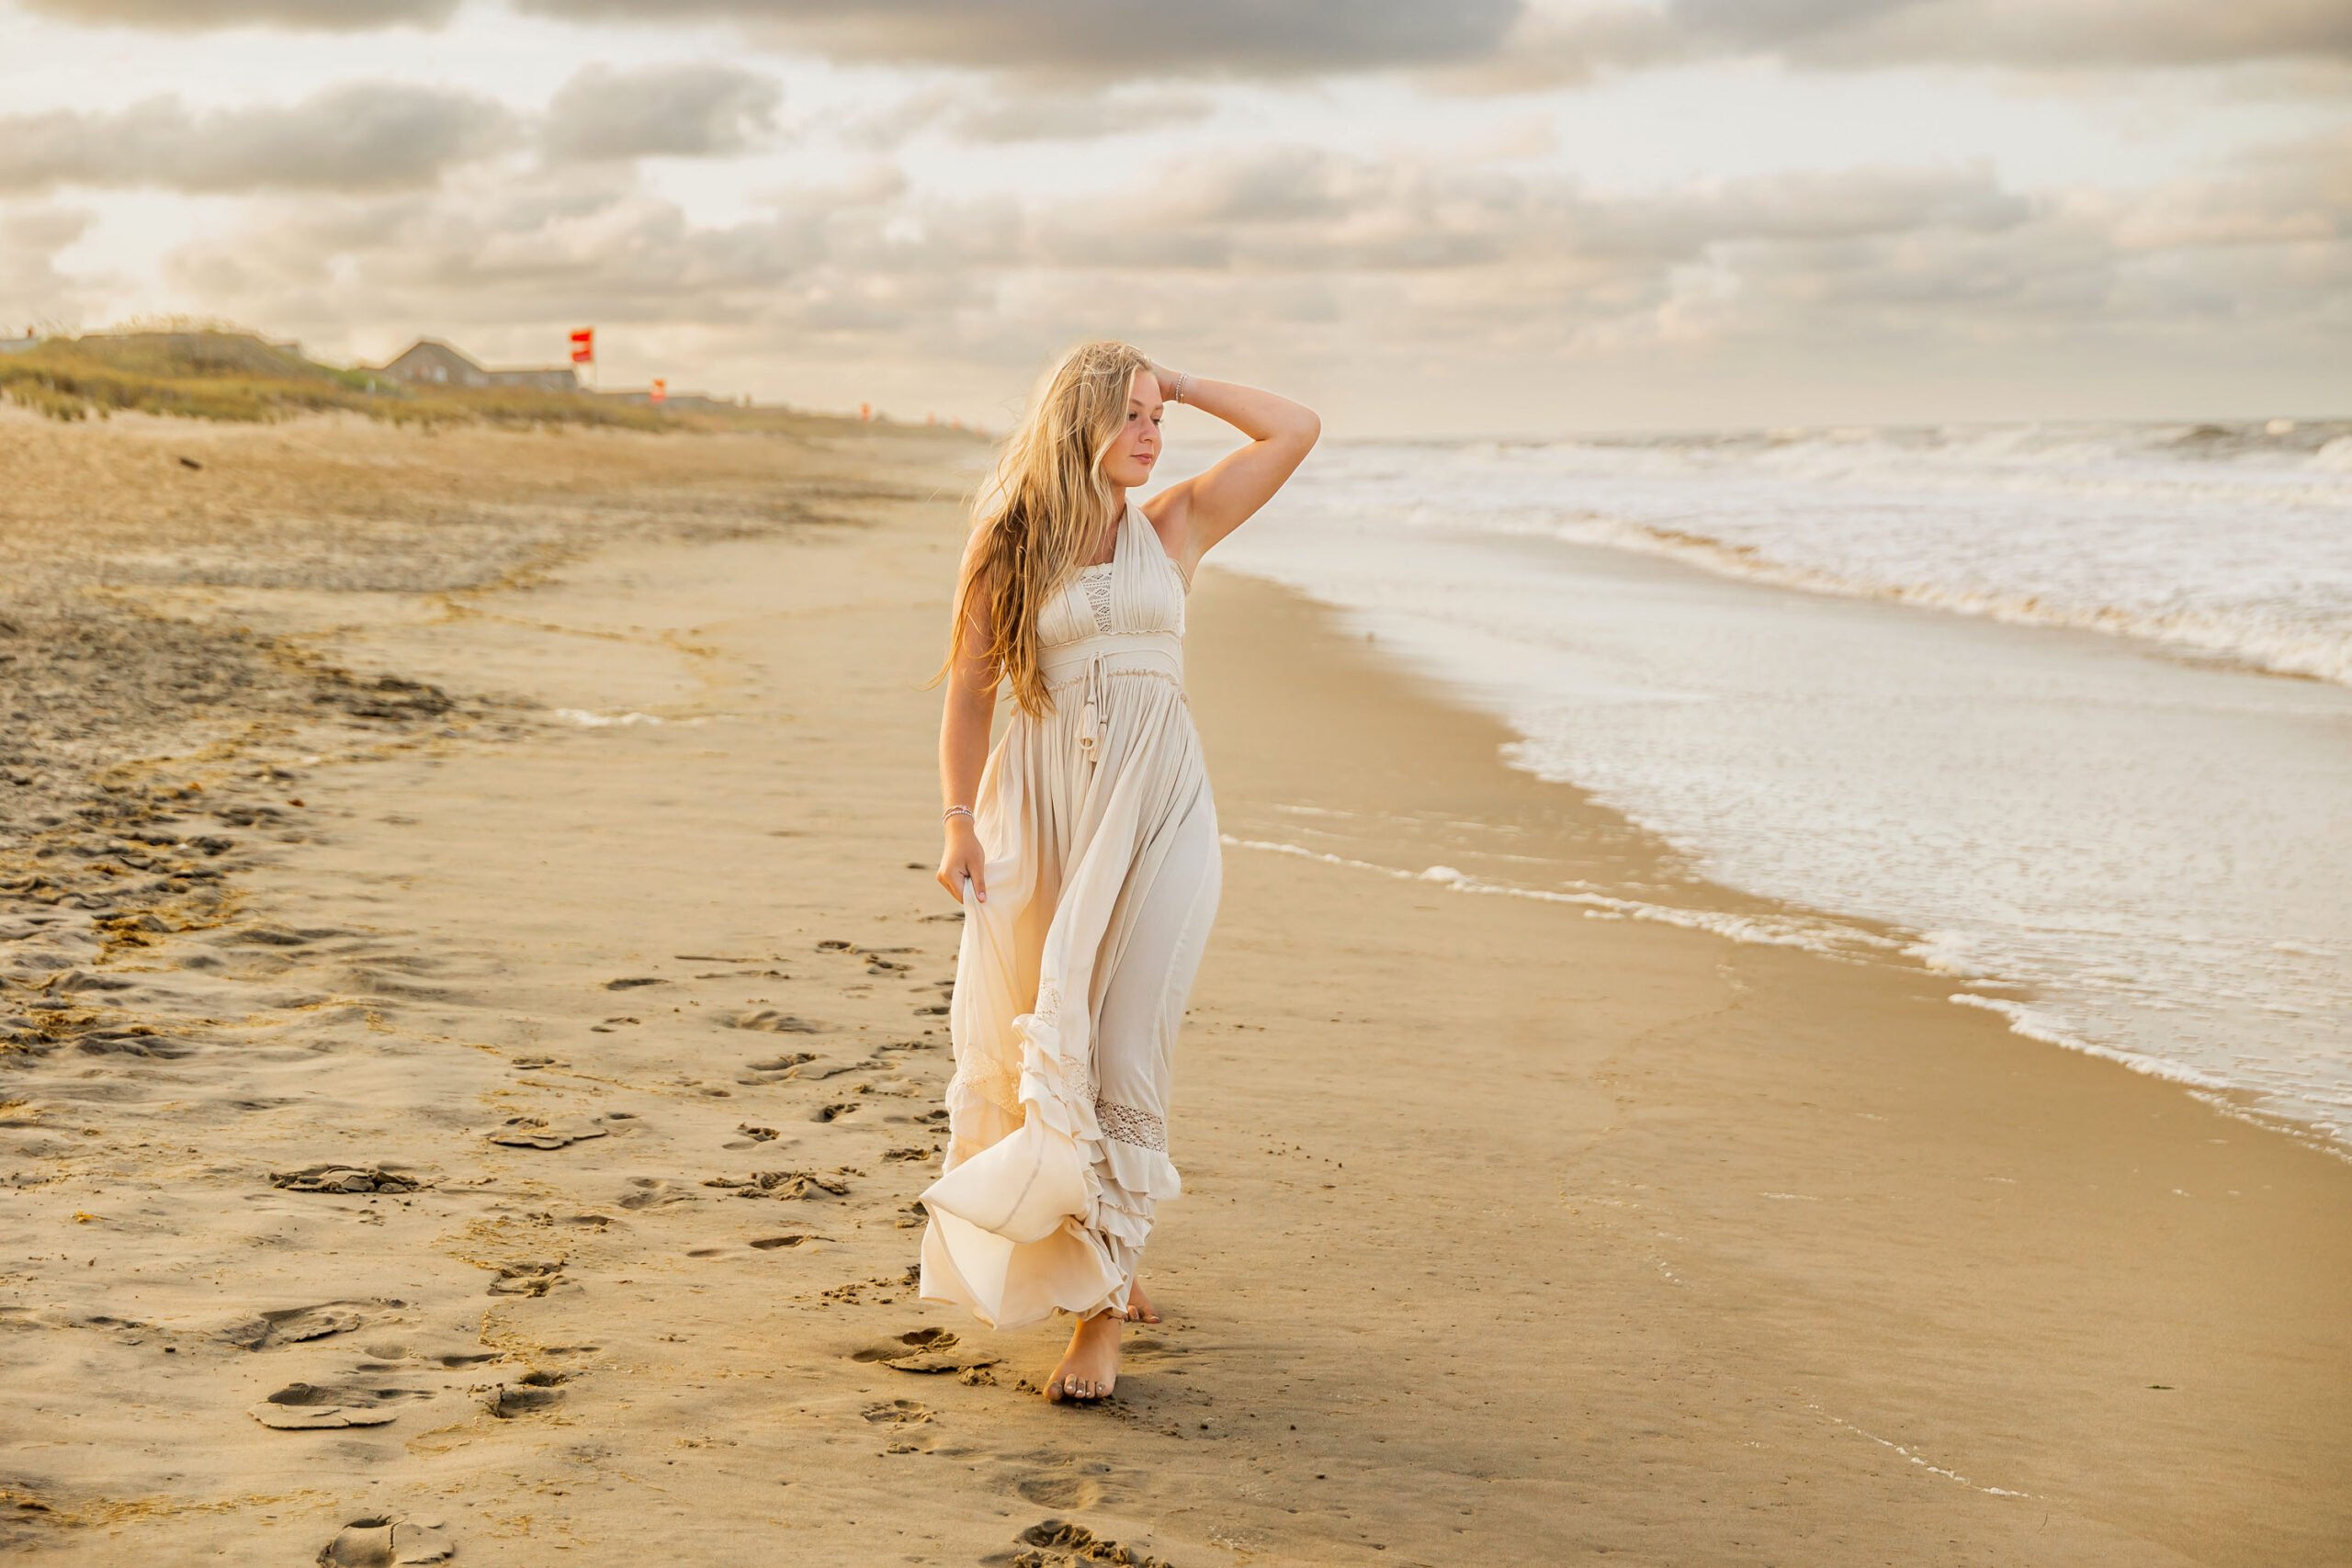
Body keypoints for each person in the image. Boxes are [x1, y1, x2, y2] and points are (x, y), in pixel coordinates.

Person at [919, 341, 1318, 1404]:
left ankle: (1099, 1313)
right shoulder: (1010, 540)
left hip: (1164, 810)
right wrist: (958, 823)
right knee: (1063, 1036)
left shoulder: (1174, 524)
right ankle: (1100, 1250)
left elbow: (1295, 428)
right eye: (1131, 414)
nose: (1151, 434)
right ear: (1081, 420)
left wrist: (1180, 380)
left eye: (1158, 415)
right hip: (1052, 812)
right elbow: (969, 693)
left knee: (1130, 1042)